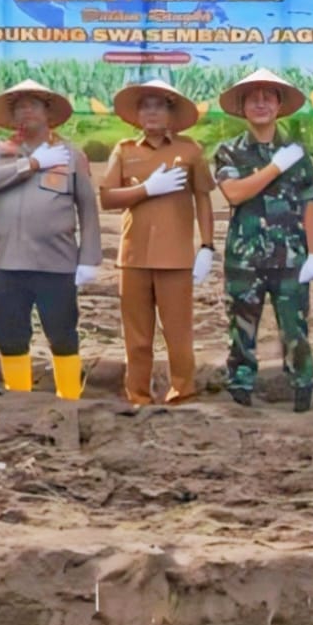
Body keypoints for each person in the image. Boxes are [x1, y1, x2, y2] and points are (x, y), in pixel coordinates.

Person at [0, 79, 100, 400]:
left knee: (62, 334)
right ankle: (18, 397)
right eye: (19, 106)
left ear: (49, 114)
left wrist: (89, 258)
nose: (25, 111)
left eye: (33, 104)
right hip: (8, 264)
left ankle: (70, 396)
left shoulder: (71, 155)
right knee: (10, 334)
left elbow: (88, 209)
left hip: (56, 265)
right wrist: (30, 164)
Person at [212, 69, 313, 412]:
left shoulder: (297, 154)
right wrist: (274, 168)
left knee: (296, 329)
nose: (261, 103)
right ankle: (241, 390)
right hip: (244, 258)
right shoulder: (229, 152)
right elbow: (234, 193)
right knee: (242, 330)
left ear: (278, 105)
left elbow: (309, 206)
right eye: (253, 98)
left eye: (268, 97)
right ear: (243, 107)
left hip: (291, 258)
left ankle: (303, 389)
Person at [99, 80, 214, 406]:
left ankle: (183, 392)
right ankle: (138, 395)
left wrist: (207, 246)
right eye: (145, 105)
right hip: (133, 256)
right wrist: (147, 189)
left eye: (159, 105)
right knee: (136, 338)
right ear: (137, 114)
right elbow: (107, 198)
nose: (151, 112)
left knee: (178, 334)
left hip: (175, 257)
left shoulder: (189, 150)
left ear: (171, 113)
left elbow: (203, 198)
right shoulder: (124, 150)